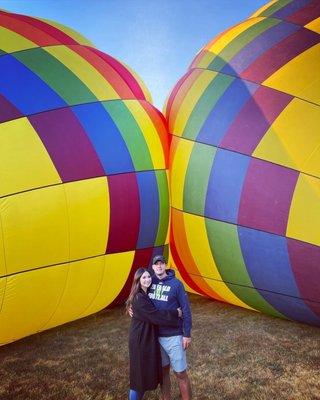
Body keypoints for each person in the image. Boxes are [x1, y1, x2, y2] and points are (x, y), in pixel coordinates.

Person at [126, 267, 182, 400]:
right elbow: (156, 315)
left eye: (148, 277)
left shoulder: (144, 293)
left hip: (145, 338)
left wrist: (127, 305)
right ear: (138, 281)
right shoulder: (139, 297)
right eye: (143, 278)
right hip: (140, 340)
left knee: (142, 375)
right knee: (138, 377)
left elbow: (131, 300)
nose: (147, 279)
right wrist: (176, 313)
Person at [149, 255, 192, 400]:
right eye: (156, 264)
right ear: (153, 267)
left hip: (174, 336)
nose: (159, 266)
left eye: (161, 263)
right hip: (156, 336)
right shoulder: (149, 282)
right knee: (163, 372)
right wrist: (129, 306)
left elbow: (186, 309)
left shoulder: (176, 284)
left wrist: (186, 334)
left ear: (165, 265)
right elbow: (135, 296)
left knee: (180, 373)